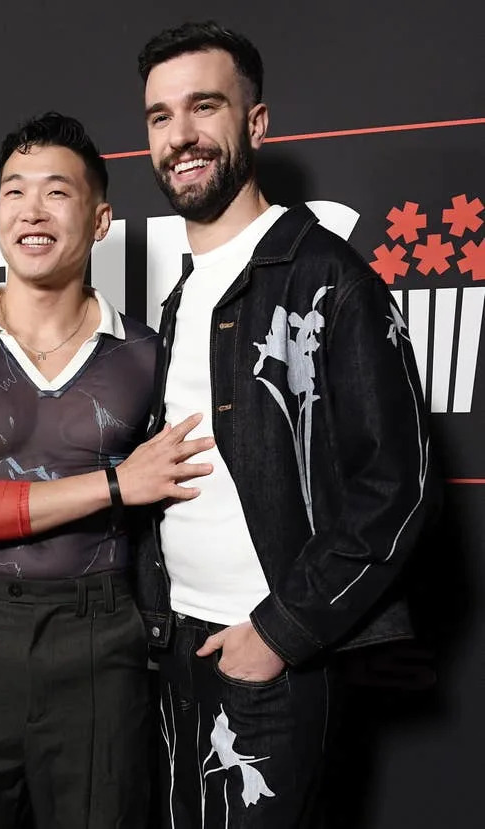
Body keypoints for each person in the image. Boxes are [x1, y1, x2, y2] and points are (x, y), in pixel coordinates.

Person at [135, 21, 437, 828]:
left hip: (266, 654)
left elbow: (396, 486)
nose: (182, 136)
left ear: (256, 124)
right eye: (161, 117)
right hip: (177, 645)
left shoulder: (328, 276)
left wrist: (282, 630)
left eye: (205, 107)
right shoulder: (180, 295)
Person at [0, 111, 213, 829]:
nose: (31, 212)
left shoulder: (150, 353)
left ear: (101, 220)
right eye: (14, 192)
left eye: (56, 193)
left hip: (106, 635)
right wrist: (113, 485)